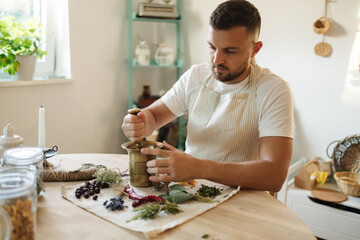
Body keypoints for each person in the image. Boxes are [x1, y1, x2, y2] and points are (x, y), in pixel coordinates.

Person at [122, 0, 293, 192]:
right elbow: (153, 116)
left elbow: (274, 175)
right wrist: (139, 124)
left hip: (245, 202)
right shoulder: (196, 76)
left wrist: (200, 168)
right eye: (212, 47)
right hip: (191, 192)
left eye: (230, 51)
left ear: (255, 49)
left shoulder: (273, 90)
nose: (217, 59)